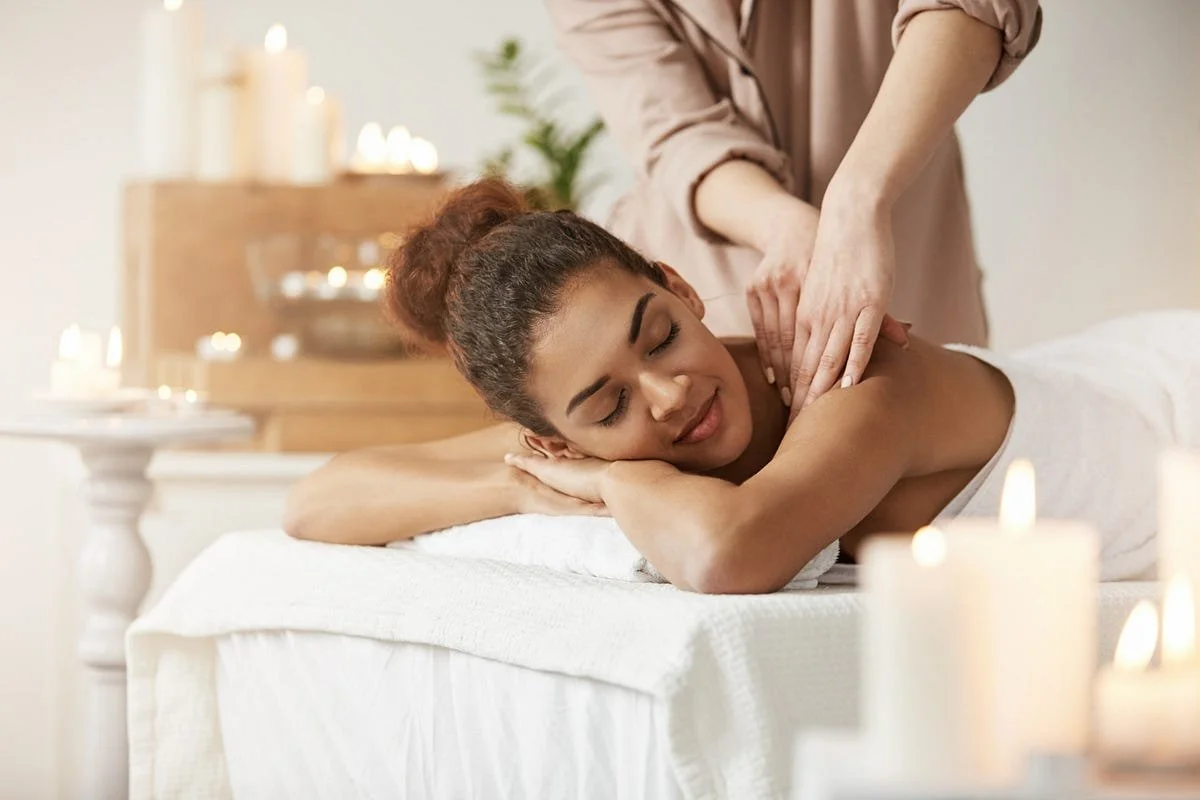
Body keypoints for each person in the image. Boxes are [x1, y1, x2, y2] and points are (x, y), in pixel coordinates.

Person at [285, 180, 1197, 593]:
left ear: (681, 288)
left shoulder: (851, 373)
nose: (671, 394)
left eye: (662, 333)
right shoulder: (557, 453)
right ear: (555, 438)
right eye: (609, 406)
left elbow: (732, 555)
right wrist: (517, 483)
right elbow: (321, 498)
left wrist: (609, 478)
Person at [544, 0, 1042, 411]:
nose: (669, 399)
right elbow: (678, 137)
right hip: (720, 285)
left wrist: (858, 199)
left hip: (907, 258)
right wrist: (792, 231)